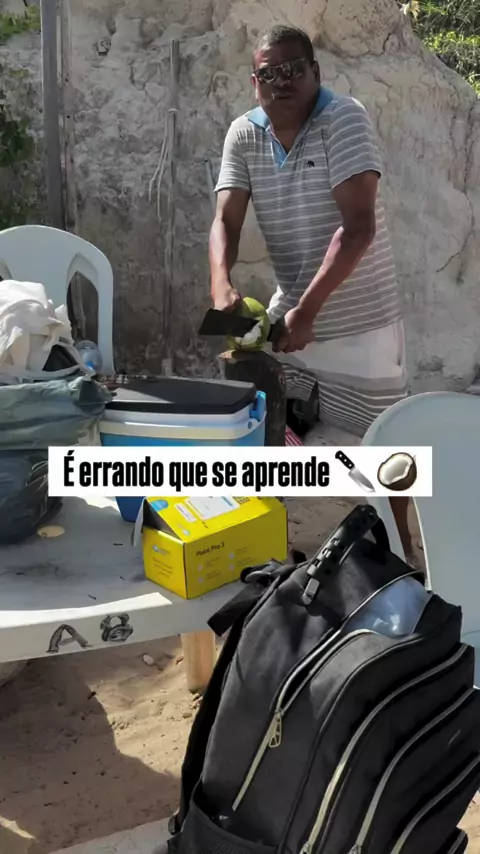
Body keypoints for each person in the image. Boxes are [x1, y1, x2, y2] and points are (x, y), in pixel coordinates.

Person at [209, 24, 416, 564]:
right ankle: (269, 541)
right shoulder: (244, 135)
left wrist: (309, 311)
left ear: (314, 72)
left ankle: (403, 554)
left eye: (293, 69)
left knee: (385, 450)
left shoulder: (343, 118)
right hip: (294, 308)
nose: (281, 81)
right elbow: (226, 220)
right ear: (254, 82)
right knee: (261, 413)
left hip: (362, 320)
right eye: (268, 73)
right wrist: (220, 284)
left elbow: (358, 228)